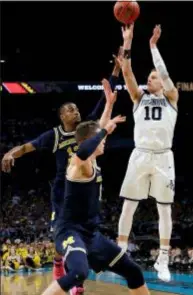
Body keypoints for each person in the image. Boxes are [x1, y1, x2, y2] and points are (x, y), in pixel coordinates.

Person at [1, 50, 122, 295]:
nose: (75, 112)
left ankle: (77, 281)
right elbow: (27, 146)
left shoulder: (87, 127)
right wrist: (10, 153)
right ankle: (62, 268)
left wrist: (117, 70)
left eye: (76, 109)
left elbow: (105, 98)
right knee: (62, 238)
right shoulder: (54, 135)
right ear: (61, 115)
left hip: (86, 186)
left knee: (84, 235)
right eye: (70, 110)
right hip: (62, 192)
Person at [41, 82, 150, 295]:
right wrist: (104, 130)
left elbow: (93, 132)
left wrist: (108, 105)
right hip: (70, 231)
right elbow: (88, 142)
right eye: (100, 138)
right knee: (79, 273)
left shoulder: (92, 159)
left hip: (91, 234)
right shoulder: (76, 163)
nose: (104, 141)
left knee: (133, 271)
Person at [117, 24, 179, 282]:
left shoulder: (172, 97)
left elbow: (164, 74)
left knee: (164, 210)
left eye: (153, 77)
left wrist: (153, 47)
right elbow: (127, 71)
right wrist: (128, 42)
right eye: (149, 77)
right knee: (129, 205)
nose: (150, 79)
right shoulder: (138, 98)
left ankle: (163, 259)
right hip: (140, 154)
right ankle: (119, 253)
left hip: (164, 157)